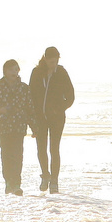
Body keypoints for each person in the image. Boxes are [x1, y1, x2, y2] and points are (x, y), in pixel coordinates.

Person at [28, 46, 74, 194]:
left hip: (57, 117)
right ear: (45, 59)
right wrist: (32, 116)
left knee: (54, 148)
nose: (53, 64)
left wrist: (59, 108)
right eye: (51, 61)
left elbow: (71, 96)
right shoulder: (36, 73)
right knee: (41, 148)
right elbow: (31, 95)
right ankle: (45, 176)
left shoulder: (61, 72)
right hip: (40, 117)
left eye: (55, 61)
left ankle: (54, 180)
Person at [0, 59, 33, 196]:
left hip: (19, 126)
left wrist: (35, 127)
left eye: (16, 69)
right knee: (6, 155)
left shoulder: (24, 88)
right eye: (12, 69)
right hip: (4, 127)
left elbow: (30, 108)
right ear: (5, 71)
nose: (15, 72)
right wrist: (0, 109)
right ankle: (8, 182)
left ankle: (17, 184)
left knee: (18, 156)